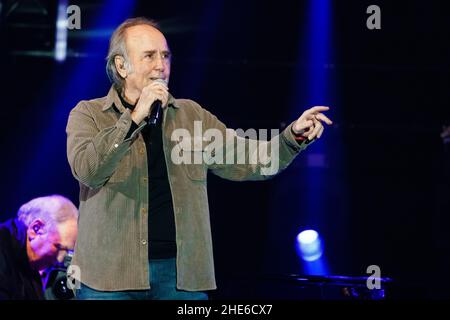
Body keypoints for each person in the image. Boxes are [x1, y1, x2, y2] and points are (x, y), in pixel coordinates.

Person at [66, 17, 333, 300]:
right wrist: (133, 119)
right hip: (109, 278)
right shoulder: (89, 115)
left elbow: (250, 159)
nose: (160, 65)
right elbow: (88, 171)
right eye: (149, 56)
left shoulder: (190, 116)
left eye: (165, 56)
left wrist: (293, 136)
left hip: (180, 278)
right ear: (121, 66)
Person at [0, 195, 78, 300]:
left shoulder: (31, 273)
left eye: (67, 251)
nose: (60, 260)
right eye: (58, 247)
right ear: (36, 229)